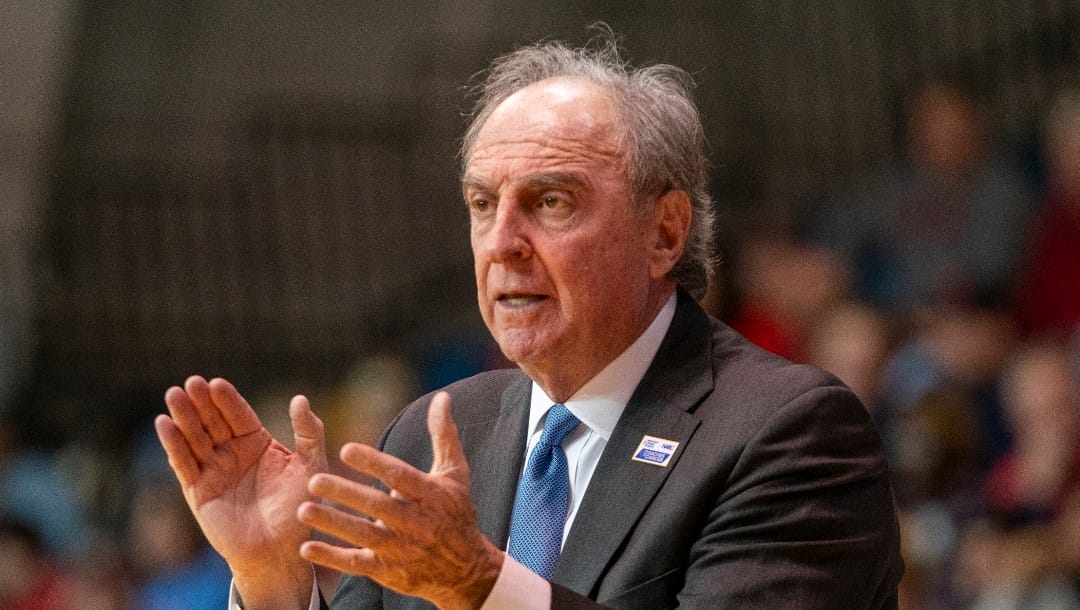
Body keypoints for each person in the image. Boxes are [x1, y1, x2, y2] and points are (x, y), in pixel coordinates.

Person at [155, 32, 903, 609]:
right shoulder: (431, 434)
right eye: (484, 205)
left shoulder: (788, 432)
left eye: (551, 203)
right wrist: (280, 580)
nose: (503, 244)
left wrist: (482, 585)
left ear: (666, 232)